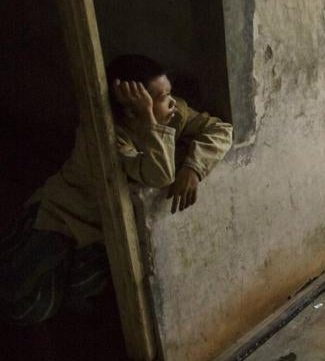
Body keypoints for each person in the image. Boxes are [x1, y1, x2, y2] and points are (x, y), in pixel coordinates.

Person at [0, 54, 233, 325]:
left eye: (169, 92)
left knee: (78, 297)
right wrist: (150, 121)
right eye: (158, 97)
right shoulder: (105, 137)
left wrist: (193, 167)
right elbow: (159, 175)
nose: (171, 101)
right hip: (61, 216)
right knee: (26, 302)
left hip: (100, 231)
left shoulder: (173, 112)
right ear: (133, 109)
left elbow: (220, 130)